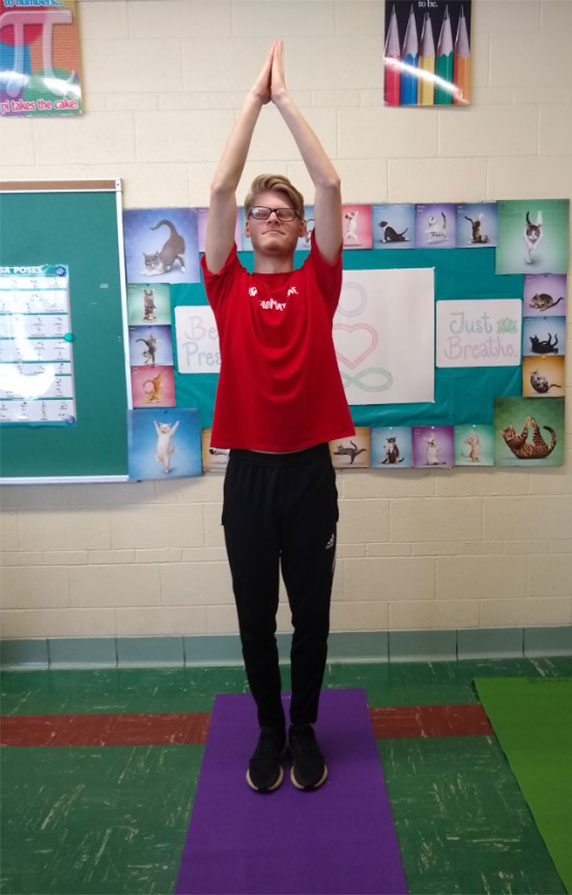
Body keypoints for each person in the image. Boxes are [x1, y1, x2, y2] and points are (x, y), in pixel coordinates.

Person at [202, 41, 354, 793]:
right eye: (260, 212)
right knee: (255, 618)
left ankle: (305, 728)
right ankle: (269, 729)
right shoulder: (226, 284)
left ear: (299, 230)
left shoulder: (318, 282)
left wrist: (285, 100)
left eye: (282, 213)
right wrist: (250, 100)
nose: (269, 218)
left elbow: (329, 182)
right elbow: (221, 186)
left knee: (312, 619)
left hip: (308, 477)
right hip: (250, 478)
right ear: (245, 229)